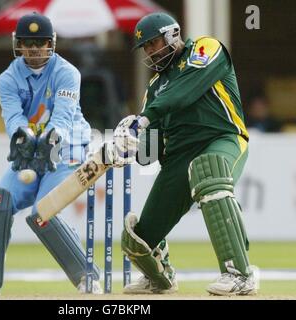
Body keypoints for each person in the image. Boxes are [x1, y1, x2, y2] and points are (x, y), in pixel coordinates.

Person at [110, 12, 258, 296]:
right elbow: (151, 153)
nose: (151, 52)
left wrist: (141, 120)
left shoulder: (206, 49)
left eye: (154, 43)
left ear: (172, 35)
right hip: (178, 159)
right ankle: (161, 278)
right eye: (146, 48)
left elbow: (183, 93)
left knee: (209, 170)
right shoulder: (154, 88)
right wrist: (128, 149)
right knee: (138, 240)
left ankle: (239, 274)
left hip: (222, 139)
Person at [0, 12, 102, 295]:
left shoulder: (67, 73)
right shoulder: (8, 78)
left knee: (43, 212)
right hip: (29, 152)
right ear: (18, 43)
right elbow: (13, 117)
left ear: (50, 43)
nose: (34, 49)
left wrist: (48, 141)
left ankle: (87, 278)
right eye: (28, 42)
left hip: (68, 150)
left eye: (40, 42)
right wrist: (24, 138)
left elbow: (63, 119)